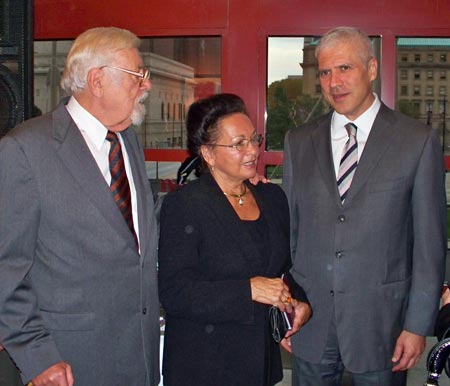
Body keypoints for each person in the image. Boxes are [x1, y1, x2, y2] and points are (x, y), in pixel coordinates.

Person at [282, 26, 447, 386]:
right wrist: (286, 309)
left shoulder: (417, 142)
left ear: (372, 69)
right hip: (311, 322)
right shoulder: (298, 142)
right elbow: (289, 235)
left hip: (382, 326)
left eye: (345, 69)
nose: (333, 82)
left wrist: (417, 325)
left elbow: (429, 245)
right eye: (325, 72)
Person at [0, 27, 160, 386]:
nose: (146, 86)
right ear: (98, 80)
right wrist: (37, 356)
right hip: (69, 361)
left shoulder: (127, 141)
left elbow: (128, 238)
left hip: (141, 355)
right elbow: (5, 268)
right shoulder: (25, 149)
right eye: (138, 76)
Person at [158, 93, 312, 386]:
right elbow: (174, 292)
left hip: (260, 363)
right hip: (204, 365)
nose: (253, 150)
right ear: (209, 153)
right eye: (238, 144)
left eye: (254, 139)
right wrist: (248, 290)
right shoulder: (185, 205)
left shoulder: (271, 197)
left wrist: (300, 302)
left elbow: (282, 270)